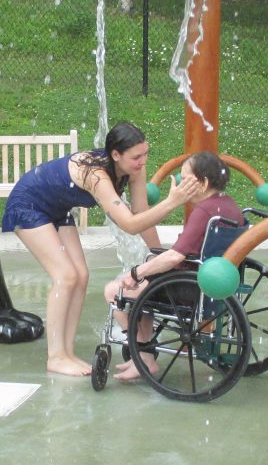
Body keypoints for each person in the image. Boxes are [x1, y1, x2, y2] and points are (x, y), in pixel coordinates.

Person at [2, 121, 201, 377]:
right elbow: (129, 224)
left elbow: (141, 213)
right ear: (116, 155)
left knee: (81, 276)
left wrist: (159, 255)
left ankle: (67, 352)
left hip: (57, 209)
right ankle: (56, 357)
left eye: (145, 154)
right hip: (28, 205)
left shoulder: (134, 169)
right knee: (66, 276)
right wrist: (172, 202)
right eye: (136, 157)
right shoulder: (95, 175)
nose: (143, 161)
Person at [102, 150, 242, 381]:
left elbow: (175, 257)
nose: (178, 185)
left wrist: (136, 272)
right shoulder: (228, 206)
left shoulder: (204, 211)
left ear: (203, 183)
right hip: (206, 284)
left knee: (113, 291)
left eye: (184, 179)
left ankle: (142, 356)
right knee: (144, 291)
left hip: (186, 288)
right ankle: (144, 357)